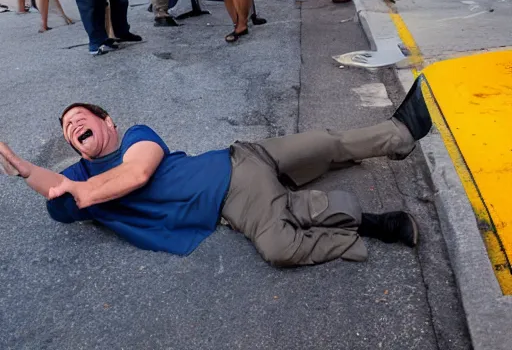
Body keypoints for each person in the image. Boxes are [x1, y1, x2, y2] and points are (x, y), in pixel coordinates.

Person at [0, 93, 429, 267]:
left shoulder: (136, 137)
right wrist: (25, 171)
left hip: (239, 160)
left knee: (324, 145)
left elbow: (138, 172)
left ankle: (400, 134)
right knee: (281, 247)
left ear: (107, 121)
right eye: (67, 129)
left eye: (81, 117)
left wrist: (82, 191)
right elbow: (58, 197)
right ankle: (374, 225)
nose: (73, 125)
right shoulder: (78, 179)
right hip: (235, 196)